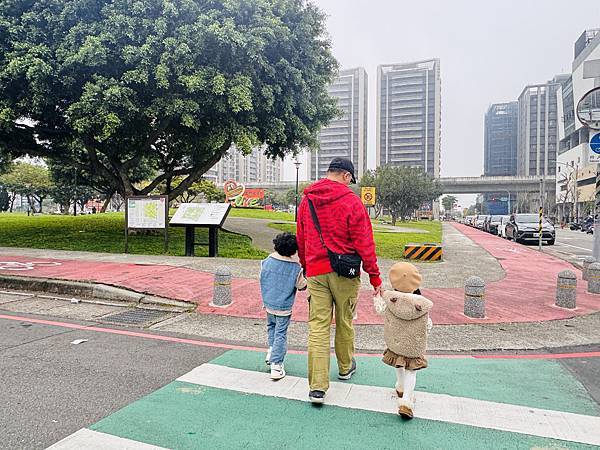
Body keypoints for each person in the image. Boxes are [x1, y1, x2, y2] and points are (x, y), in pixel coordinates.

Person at [296, 157, 382, 404]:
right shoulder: (351, 201)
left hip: (316, 271)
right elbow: (364, 242)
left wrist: (306, 265)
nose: (350, 184)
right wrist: (375, 277)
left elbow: (301, 237)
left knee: (318, 326)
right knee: (344, 320)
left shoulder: (307, 200)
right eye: (350, 180)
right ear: (346, 176)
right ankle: (345, 367)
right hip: (346, 274)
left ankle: (317, 387)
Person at [373, 262, 433, 419]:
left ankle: (399, 386)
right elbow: (428, 325)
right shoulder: (421, 304)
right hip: (413, 346)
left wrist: (378, 297)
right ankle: (406, 400)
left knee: (399, 362)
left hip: (396, 342)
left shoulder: (390, 300)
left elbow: (379, 310)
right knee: (411, 371)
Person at [260, 232, 307, 380]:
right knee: (281, 333)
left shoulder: (267, 260)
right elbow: (301, 286)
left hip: (268, 303)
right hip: (283, 307)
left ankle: (272, 350)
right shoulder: (295, 267)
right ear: (294, 250)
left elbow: (262, 277)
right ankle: (276, 364)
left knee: (271, 328)